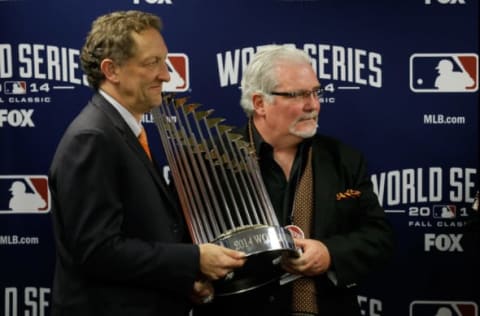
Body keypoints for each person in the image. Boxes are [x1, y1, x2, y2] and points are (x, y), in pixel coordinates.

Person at [48, 10, 246, 316]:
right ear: (111, 70)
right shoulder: (92, 138)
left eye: (164, 62)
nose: (166, 75)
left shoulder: (120, 129)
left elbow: (140, 233)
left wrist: (182, 282)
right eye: (152, 63)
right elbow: (97, 252)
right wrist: (194, 260)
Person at [193, 45, 395, 315]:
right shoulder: (207, 162)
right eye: (297, 95)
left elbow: (378, 236)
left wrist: (329, 253)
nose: (313, 104)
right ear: (260, 103)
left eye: (315, 92)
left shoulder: (344, 159)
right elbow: (182, 250)